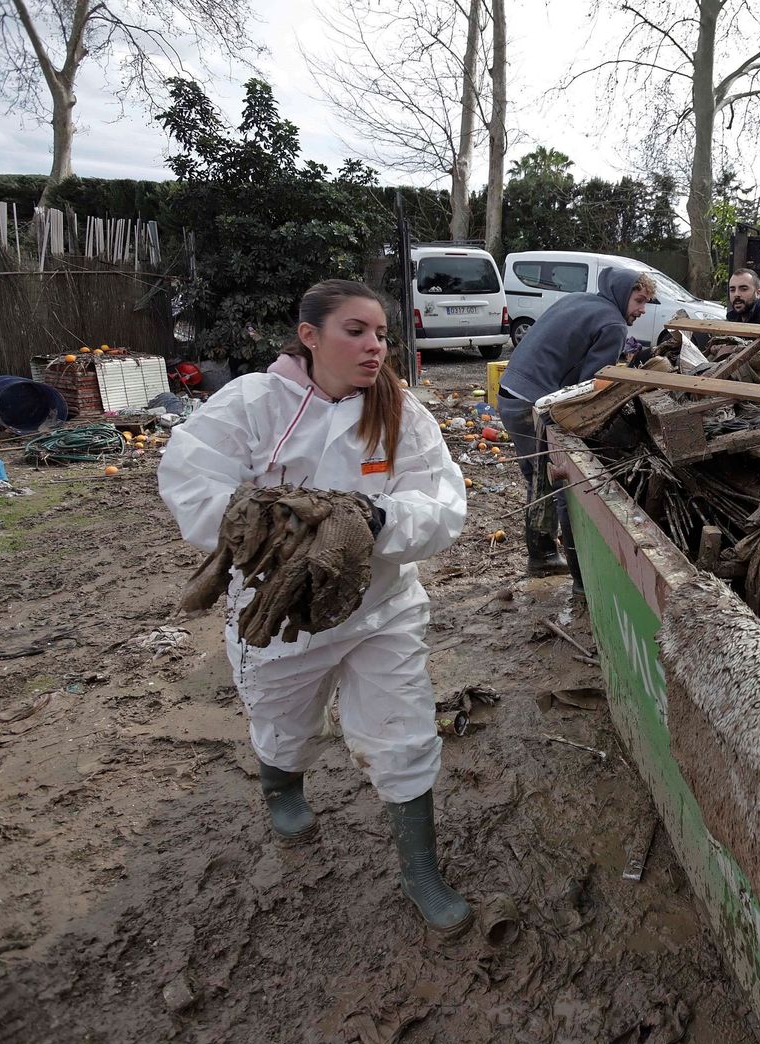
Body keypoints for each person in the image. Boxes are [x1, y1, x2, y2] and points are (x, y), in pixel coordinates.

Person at [158, 280, 473, 937]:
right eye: (355, 331)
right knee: (281, 719)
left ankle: (420, 870)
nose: (374, 346)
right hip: (282, 611)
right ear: (309, 336)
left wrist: (371, 517)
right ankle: (283, 788)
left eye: (382, 334)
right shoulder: (252, 402)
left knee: (404, 730)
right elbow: (190, 474)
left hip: (381, 606)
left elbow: (442, 501)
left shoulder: (399, 412)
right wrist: (267, 524)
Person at [497, 267, 655, 587]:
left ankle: (542, 556)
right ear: (624, 294)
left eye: (647, 303)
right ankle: (582, 578)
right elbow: (588, 391)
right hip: (532, 404)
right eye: (639, 301)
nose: (641, 310)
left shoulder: (582, 299)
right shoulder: (612, 323)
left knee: (539, 477)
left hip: (511, 394)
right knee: (565, 484)